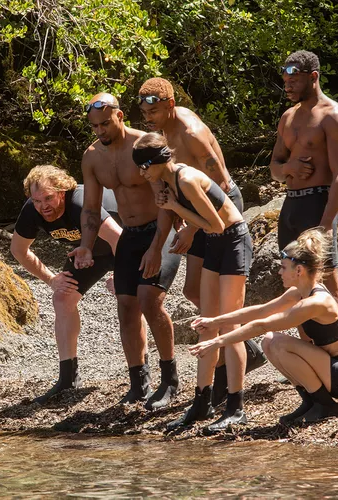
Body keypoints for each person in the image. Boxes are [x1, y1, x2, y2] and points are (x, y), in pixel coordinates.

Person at [137, 77, 267, 406]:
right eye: (144, 113)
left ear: (170, 105)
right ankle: (244, 349)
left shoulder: (190, 133)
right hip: (194, 209)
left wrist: (192, 229)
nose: (148, 118)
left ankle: (241, 347)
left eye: (153, 112)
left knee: (215, 299)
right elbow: (167, 192)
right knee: (193, 290)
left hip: (220, 207)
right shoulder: (159, 136)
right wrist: (164, 235)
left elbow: (220, 185)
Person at [132, 132, 253, 433]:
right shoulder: (167, 182)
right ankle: (202, 402)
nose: (141, 174)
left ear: (157, 162)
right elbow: (203, 225)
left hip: (233, 240)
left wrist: (176, 208)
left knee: (230, 326)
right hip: (215, 242)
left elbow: (218, 223)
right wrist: (168, 206)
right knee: (207, 324)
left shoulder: (185, 179)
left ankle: (236, 407)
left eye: (143, 167)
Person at [70, 93, 182, 408]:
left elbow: (165, 199)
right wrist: (86, 246)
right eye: (94, 126)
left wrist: (156, 248)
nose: (100, 131)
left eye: (105, 124)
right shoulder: (92, 157)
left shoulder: (143, 145)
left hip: (161, 230)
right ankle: (138, 382)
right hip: (130, 235)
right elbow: (91, 208)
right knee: (126, 306)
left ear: (119, 116)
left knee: (149, 300)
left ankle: (170, 379)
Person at [190, 228, 338, 425]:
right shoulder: (299, 293)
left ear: (298, 271)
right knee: (269, 342)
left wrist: (216, 342)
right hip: (332, 370)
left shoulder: (316, 302)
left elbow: (262, 325)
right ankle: (311, 401)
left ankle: (324, 404)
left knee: (278, 343)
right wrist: (215, 321)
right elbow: (261, 311)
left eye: (283, 267)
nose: (279, 272)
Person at [11, 165, 124, 403]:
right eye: (37, 200)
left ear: (62, 192)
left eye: (48, 198)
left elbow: (119, 239)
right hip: (89, 252)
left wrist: (123, 275)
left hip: (126, 243)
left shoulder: (79, 203)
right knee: (62, 297)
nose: (43, 206)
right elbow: (18, 250)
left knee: (128, 296)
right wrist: (51, 279)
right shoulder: (32, 210)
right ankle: (68, 378)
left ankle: (139, 373)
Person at [270, 50, 338, 313]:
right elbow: (274, 169)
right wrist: (289, 168)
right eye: (286, 81)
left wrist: (326, 225)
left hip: (318, 204)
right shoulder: (288, 118)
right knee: (294, 282)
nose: (288, 86)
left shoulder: (333, 116)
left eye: (294, 81)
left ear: (313, 77)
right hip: (290, 206)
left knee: (327, 279)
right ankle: (308, 337)